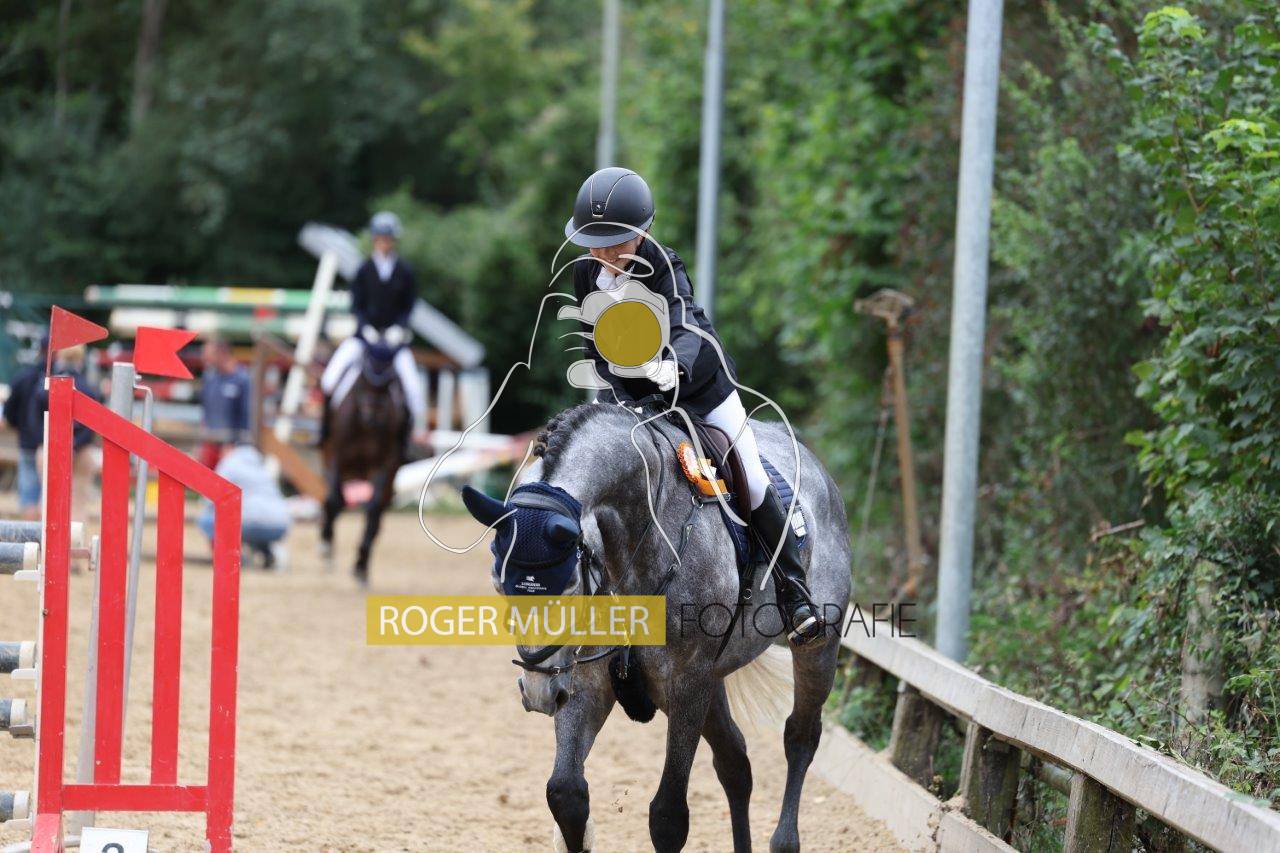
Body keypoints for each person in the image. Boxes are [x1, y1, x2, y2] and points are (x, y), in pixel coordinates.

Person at [563, 167, 821, 644]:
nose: (605, 254)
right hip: (630, 396)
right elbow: (594, 348)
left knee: (751, 476)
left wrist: (671, 369)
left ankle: (794, 591)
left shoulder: (663, 265)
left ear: (643, 233)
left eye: (616, 242)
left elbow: (684, 326)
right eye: (596, 243)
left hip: (699, 388)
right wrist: (614, 401)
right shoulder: (585, 274)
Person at [319, 211, 428, 446]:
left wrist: (398, 328)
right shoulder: (364, 270)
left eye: (388, 238)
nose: (384, 242)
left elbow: (408, 307)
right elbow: (357, 306)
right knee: (329, 379)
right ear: (374, 240)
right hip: (364, 338)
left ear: (393, 241)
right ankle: (324, 432)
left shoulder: (405, 272)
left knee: (413, 388)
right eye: (380, 238)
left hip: (394, 342)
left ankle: (410, 439)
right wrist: (365, 327)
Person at [198, 443, 292, 570]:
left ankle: (232, 558)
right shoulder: (261, 467)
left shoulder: (229, 463)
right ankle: (269, 552)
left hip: (250, 524)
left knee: (207, 520)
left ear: (229, 448)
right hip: (280, 526)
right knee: (254, 523)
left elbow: (211, 497)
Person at [2, 335, 49, 520]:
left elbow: (9, 414)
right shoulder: (63, 377)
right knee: (51, 497)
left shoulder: (23, 377)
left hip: (28, 443)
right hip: (55, 445)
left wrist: (20, 427)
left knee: (29, 497)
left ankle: (31, 536)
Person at [199, 335, 252, 470]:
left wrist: (234, 444)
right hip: (210, 443)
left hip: (232, 446)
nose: (204, 358)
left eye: (209, 355)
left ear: (221, 353)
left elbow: (247, 414)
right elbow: (206, 410)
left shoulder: (242, 379)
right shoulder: (210, 378)